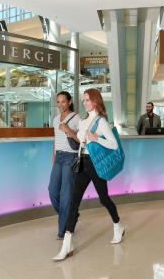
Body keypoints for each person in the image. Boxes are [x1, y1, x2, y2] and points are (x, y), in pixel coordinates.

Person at [53, 88, 125, 261]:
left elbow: (114, 144)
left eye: (88, 100)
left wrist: (96, 138)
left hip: (95, 164)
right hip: (82, 163)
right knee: (73, 202)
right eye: (83, 100)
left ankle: (118, 225)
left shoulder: (101, 122)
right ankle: (67, 244)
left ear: (95, 101)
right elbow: (79, 142)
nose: (85, 103)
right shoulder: (84, 120)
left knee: (103, 199)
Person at [48, 91, 80, 240]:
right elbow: (55, 140)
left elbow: (81, 140)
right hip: (59, 158)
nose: (60, 105)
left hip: (70, 158)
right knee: (52, 191)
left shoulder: (77, 118)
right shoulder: (55, 119)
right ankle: (70, 214)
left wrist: (69, 130)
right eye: (58, 102)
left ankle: (63, 231)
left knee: (65, 195)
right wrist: (54, 158)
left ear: (70, 102)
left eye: (63, 102)